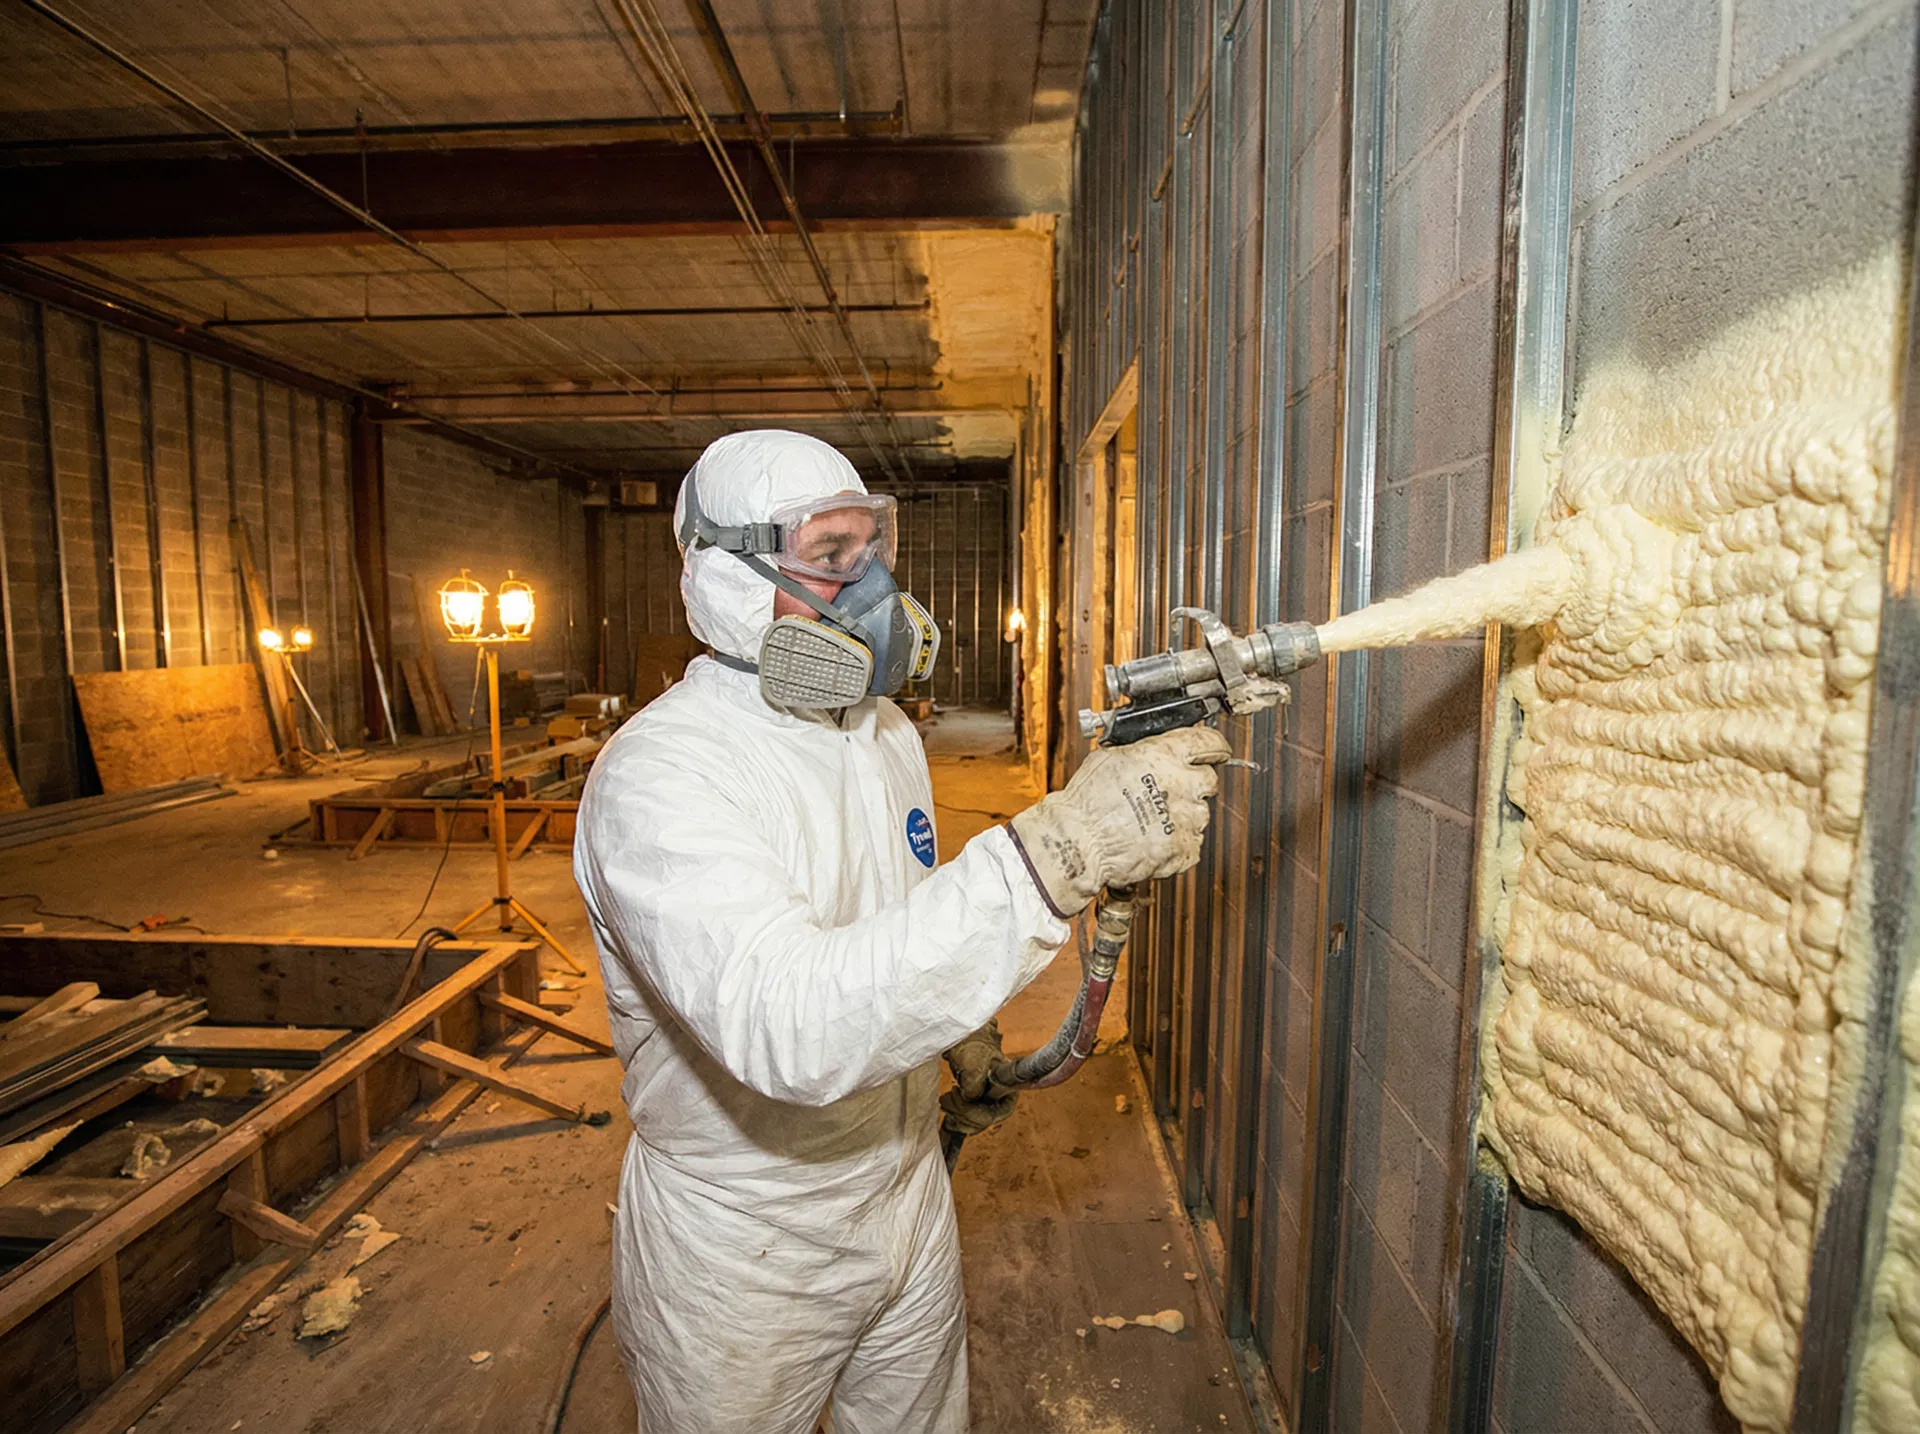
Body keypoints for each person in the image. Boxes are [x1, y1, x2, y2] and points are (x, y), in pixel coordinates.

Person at [574, 429, 1230, 1434]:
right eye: (831, 560)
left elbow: (891, 916)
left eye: (869, 552)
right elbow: (788, 1024)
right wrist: (1055, 854)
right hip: (748, 1247)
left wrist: (951, 1035)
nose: (872, 591)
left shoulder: (882, 735)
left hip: (908, 1197)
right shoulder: (662, 777)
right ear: (730, 582)